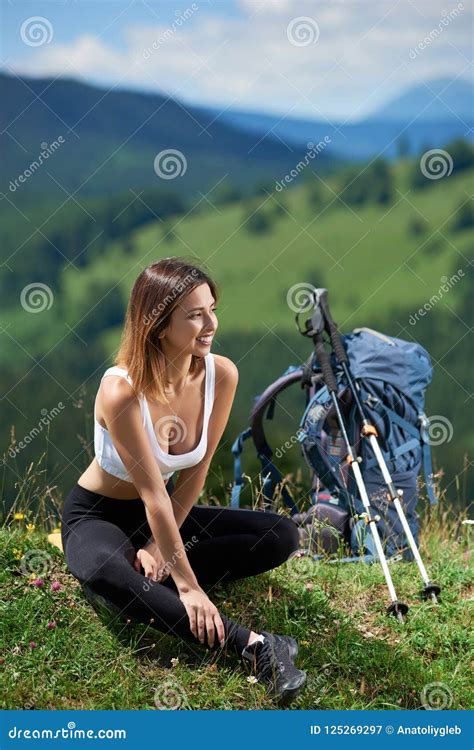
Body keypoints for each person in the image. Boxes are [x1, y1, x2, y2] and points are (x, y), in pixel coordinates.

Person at [61, 256, 306, 705]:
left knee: (281, 535)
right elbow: (153, 492)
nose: (210, 323)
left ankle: (145, 594)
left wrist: (160, 550)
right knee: (103, 570)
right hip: (98, 515)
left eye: (212, 308)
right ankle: (255, 647)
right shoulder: (122, 391)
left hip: (168, 518)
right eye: (194, 314)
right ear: (157, 324)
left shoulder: (221, 375)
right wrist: (190, 587)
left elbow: (195, 474)